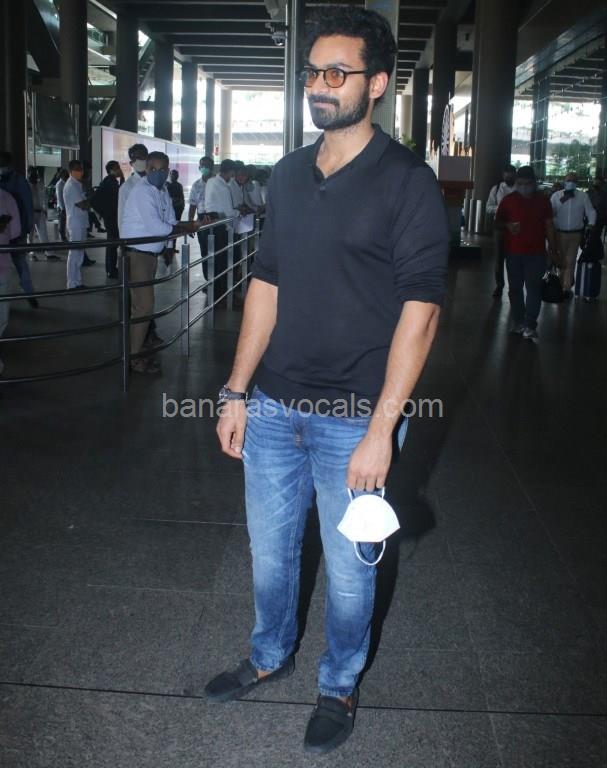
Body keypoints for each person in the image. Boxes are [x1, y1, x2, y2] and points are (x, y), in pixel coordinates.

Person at [206, 6, 449, 755]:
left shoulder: (406, 182)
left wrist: (382, 430)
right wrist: (236, 391)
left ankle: (339, 683)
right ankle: (268, 653)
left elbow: (421, 313)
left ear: (376, 84)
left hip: (355, 419)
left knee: (349, 572)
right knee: (271, 554)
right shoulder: (286, 174)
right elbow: (266, 284)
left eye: (338, 72)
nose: (320, 83)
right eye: (313, 70)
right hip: (274, 407)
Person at [120, 151, 199, 374]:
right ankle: (133, 358)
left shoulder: (162, 190)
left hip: (149, 255)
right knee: (143, 307)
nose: (158, 173)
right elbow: (157, 227)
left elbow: (170, 220)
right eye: (153, 169)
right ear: (146, 169)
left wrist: (181, 229)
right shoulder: (142, 192)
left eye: (162, 169)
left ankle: (136, 350)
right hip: (137, 255)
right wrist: (183, 228)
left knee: (143, 307)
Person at [495, 166, 556, 339]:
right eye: (520, 184)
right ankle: (519, 322)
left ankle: (530, 324)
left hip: (536, 254)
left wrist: (553, 248)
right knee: (515, 289)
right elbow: (497, 222)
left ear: (534, 183)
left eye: (527, 184)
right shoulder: (508, 200)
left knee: (533, 289)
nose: (524, 187)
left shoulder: (543, 201)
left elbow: (549, 225)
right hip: (513, 253)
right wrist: (507, 226)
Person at [204, 158, 249, 302]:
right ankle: (221, 295)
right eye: (233, 173)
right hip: (220, 227)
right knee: (222, 262)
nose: (233, 177)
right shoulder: (223, 187)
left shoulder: (212, 181)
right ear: (230, 171)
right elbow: (228, 211)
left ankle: (218, 293)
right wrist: (240, 212)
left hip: (210, 224)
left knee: (215, 261)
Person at [0, 151, 37, 308]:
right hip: (3, 233)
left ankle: (29, 292)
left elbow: (27, 206)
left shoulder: (20, 182)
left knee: (20, 262)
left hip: (16, 230)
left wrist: (27, 227)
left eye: (3, 164)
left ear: (10, 164)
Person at [550, 172, 597, 296]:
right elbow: (550, 212)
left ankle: (566, 288)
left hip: (575, 234)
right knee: (561, 261)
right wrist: (564, 199)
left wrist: (591, 224)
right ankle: (559, 285)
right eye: (568, 180)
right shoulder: (556, 196)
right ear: (564, 181)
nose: (570, 182)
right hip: (559, 233)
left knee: (570, 261)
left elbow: (591, 211)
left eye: (573, 180)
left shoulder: (583, 196)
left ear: (577, 183)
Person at [0, 188, 21, 375]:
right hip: (2, 267)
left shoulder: (7, 198)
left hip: (3, 268)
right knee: (1, 316)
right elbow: (14, 232)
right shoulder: (6, 198)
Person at [486, 164, 516, 298]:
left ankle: (513, 286)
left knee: (513, 258)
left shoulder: (519, 188)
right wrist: (501, 208)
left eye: (511, 174)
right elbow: (488, 207)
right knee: (499, 258)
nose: (508, 176)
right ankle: (499, 285)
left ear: (515, 175)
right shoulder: (497, 188)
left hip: (515, 227)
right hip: (500, 226)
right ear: (503, 175)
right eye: (506, 174)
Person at [91, 160, 123, 279]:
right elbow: (95, 200)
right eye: (117, 167)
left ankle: (111, 268)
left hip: (112, 217)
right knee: (112, 244)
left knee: (112, 243)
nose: (119, 169)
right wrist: (104, 213)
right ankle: (111, 269)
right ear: (111, 170)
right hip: (111, 218)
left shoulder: (111, 181)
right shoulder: (109, 182)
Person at [63, 160, 90, 290]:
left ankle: (77, 282)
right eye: (77, 169)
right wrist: (90, 201)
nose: (80, 171)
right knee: (74, 254)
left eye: (81, 169)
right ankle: (72, 283)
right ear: (71, 171)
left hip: (80, 222)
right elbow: (82, 205)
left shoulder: (77, 184)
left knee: (79, 254)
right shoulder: (71, 186)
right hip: (75, 224)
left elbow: (84, 203)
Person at [188, 156, 214, 267]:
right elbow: (193, 205)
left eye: (207, 165)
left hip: (216, 218)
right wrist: (190, 222)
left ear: (212, 167)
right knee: (204, 250)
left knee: (217, 250)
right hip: (201, 219)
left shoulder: (218, 183)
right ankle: (207, 274)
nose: (205, 167)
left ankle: (217, 275)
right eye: (202, 165)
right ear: (199, 167)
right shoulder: (196, 185)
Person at [27, 166, 57, 260]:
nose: (34, 176)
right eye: (32, 173)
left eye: (35, 174)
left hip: (40, 212)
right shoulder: (26, 185)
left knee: (43, 233)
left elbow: (44, 198)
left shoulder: (40, 185)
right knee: (30, 235)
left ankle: (48, 253)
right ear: (28, 174)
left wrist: (45, 210)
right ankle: (32, 253)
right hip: (30, 213)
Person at [118, 143, 149, 233]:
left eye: (142, 156)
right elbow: (121, 216)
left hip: (156, 234)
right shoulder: (127, 187)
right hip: (136, 234)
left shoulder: (155, 182)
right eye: (136, 158)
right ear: (131, 163)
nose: (140, 160)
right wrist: (123, 238)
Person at [55, 168, 69, 243]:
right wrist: (62, 208)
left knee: (66, 223)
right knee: (62, 224)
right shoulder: (59, 184)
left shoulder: (66, 183)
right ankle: (63, 239)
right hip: (62, 207)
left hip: (66, 206)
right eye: (65, 174)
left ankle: (65, 238)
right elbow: (59, 197)